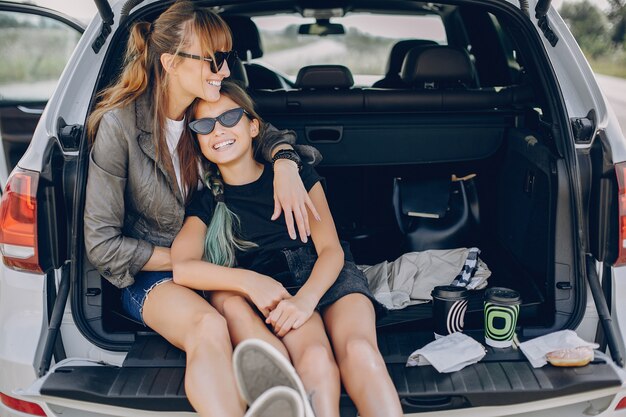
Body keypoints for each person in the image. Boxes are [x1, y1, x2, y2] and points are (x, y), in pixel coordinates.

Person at [83, 2, 321, 416]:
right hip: (150, 275)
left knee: (241, 315)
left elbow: (261, 131)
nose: (225, 71)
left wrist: (284, 160)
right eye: (214, 60)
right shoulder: (119, 125)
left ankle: (285, 402)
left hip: (216, 267)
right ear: (171, 63)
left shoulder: (206, 113)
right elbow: (102, 246)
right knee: (207, 326)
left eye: (227, 59)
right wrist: (188, 262)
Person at [171, 81, 404, 417]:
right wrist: (250, 282)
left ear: (253, 127)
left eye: (229, 118)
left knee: (359, 350)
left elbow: (331, 250)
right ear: (198, 140)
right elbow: (183, 267)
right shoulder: (208, 202)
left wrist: (305, 301)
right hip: (275, 285)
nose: (217, 131)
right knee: (316, 360)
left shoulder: (295, 174)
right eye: (204, 125)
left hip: (327, 275)